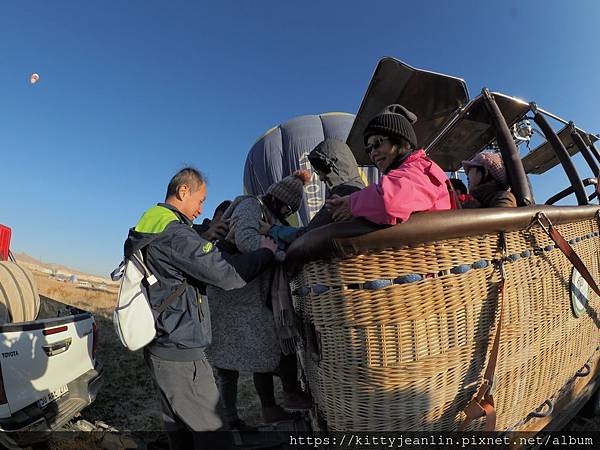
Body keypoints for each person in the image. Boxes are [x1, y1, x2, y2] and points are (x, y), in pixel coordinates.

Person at [123, 167, 277, 449]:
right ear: (184, 191)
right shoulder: (176, 234)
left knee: (179, 432)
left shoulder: (153, 223)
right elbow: (226, 273)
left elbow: (174, 268)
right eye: (200, 200)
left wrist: (204, 237)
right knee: (214, 436)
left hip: (161, 345)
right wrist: (265, 252)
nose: (201, 208)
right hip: (182, 353)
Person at [206, 171, 312, 430]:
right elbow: (246, 239)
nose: (286, 212)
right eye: (286, 206)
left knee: (260, 350)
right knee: (227, 364)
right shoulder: (250, 205)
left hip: (248, 298)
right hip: (231, 296)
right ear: (277, 198)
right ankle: (226, 421)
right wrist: (276, 252)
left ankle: (268, 410)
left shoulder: (271, 217)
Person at [326, 104, 456, 224]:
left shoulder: (421, 169)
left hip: (428, 247)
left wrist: (352, 203)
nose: (373, 153)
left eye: (377, 143)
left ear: (400, 141)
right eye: (369, 149)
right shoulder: (407, 173)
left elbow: (390, 202)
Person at [263, 139, 366, 248]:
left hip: (339, 262)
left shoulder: (342, 195)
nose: (321, 178)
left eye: (322, 170)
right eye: (317, 173)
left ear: (333, 165)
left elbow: (308, 235)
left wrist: (272, 230)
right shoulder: (364, 192)